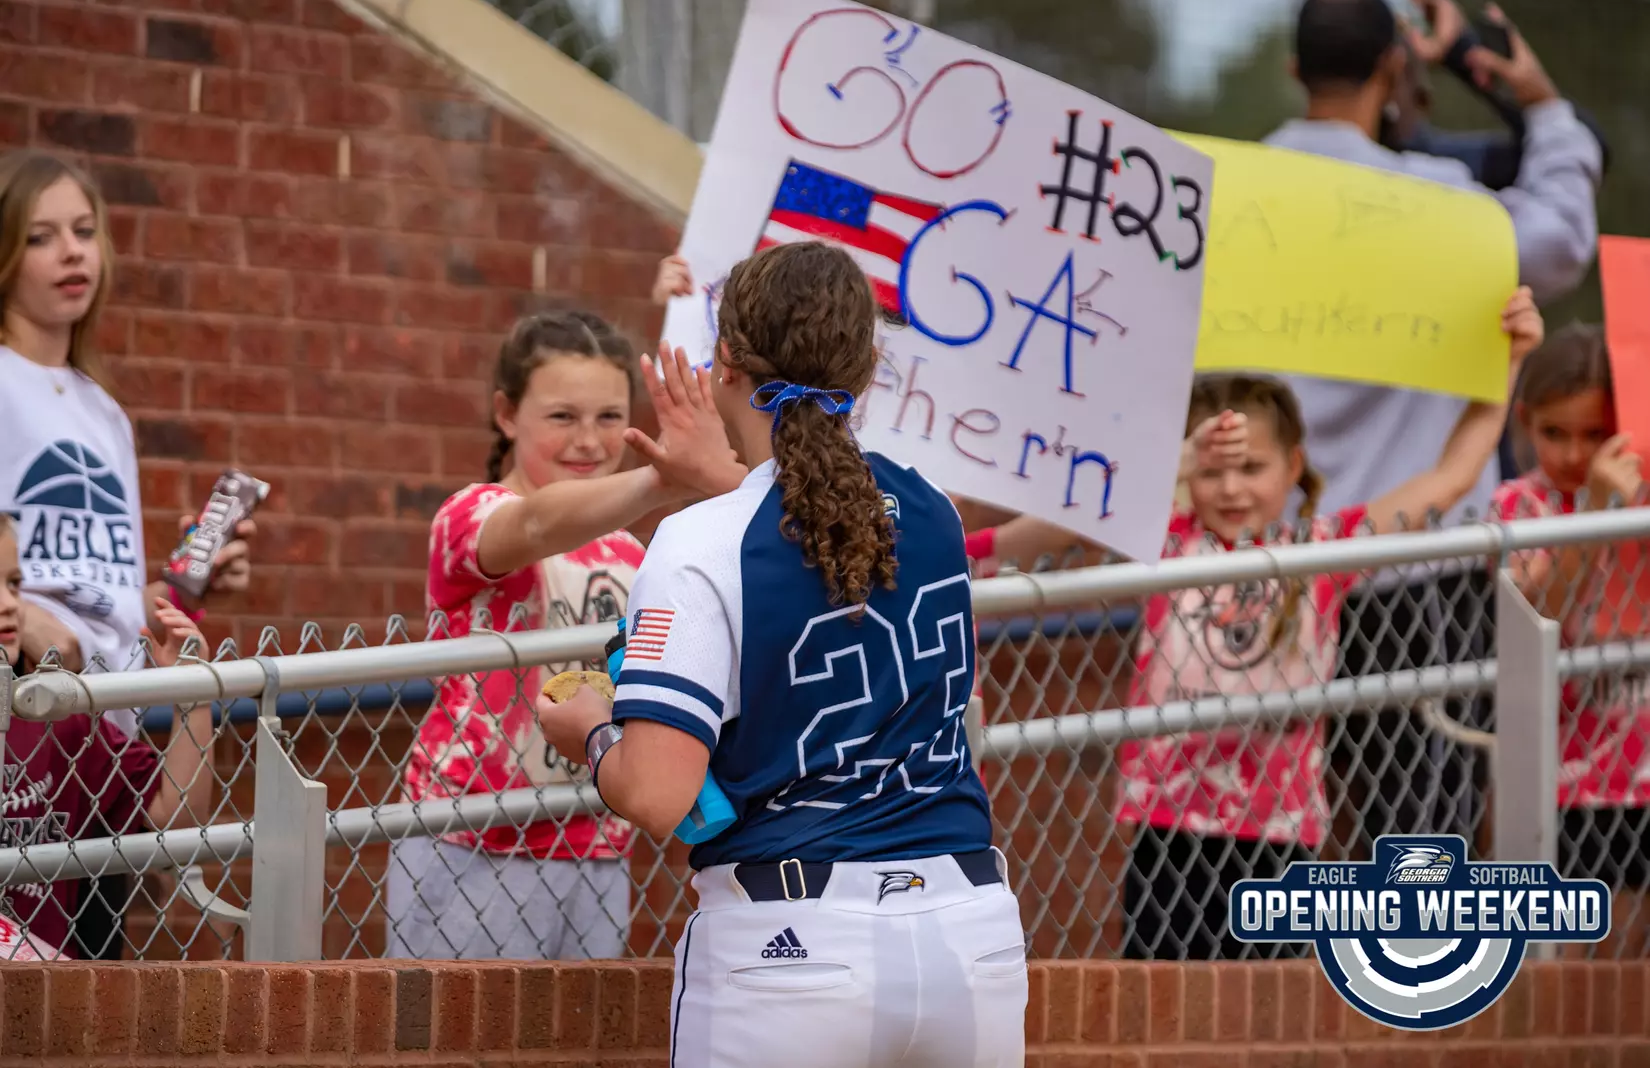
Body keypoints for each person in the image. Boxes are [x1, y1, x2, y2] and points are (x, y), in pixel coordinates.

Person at [541, 240, 1028, 1067]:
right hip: (970, 929)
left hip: (789, 942)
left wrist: (589, 731)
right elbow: (810, 524)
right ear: (868, 366)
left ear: (724, 358)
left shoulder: (703, 539)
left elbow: (658, 794)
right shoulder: (934, 507)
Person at [1267, 0, 1601, 854]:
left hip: (1267, 571)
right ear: (1391, 64)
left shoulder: (1229, 189)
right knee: (1415, 849)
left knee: (1257, 835)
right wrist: (1541, 101)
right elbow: (1565, 235)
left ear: (1295, 69)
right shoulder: (1441, 204)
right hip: (1420, 575)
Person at [1117, 290, 1544, 960]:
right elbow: (1111, 492)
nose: (1231, 489)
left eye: (1252, 468)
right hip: (1169, 824)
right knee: (1159, 1004)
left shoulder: (1322, 551)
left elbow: (1452, 476)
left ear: (1293, 468)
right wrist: (1179, 458)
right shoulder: (1165, 541)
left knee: (1268, 1017)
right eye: (1213, 470)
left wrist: (1509, 362)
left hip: (1280, 832)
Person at [386, 310, 744, 961]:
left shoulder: (637, 552)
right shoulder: (470, 515)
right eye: (562, 416)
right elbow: (532, 527)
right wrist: (662, 478)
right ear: (506, 414)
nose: (589, 439)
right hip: (471, 840)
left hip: (598, 845)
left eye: (609, 417)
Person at [0, 149, 253, 961]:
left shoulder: (106, 412)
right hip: (25, 727)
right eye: (43, 237)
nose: (73, 252)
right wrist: (33, 620)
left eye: (84, 231)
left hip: (109, 735)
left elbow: (105, 586)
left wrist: (177, 587)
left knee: (90, 978)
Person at [1491, 325, 1650, 930]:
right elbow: (1539, 614)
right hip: (1569, 780)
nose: (1575, 455)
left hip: (1643, 767)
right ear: (1526, 422)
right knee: (1585, 961)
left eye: (1596, 435)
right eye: (1555, 433)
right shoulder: (1517, 506)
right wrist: (1595, 513)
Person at [0, 514, 214, 959]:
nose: (8, 604)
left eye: (15, 584)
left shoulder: (56, 720)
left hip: (44, 996)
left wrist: (191, 692)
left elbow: (174, 811)